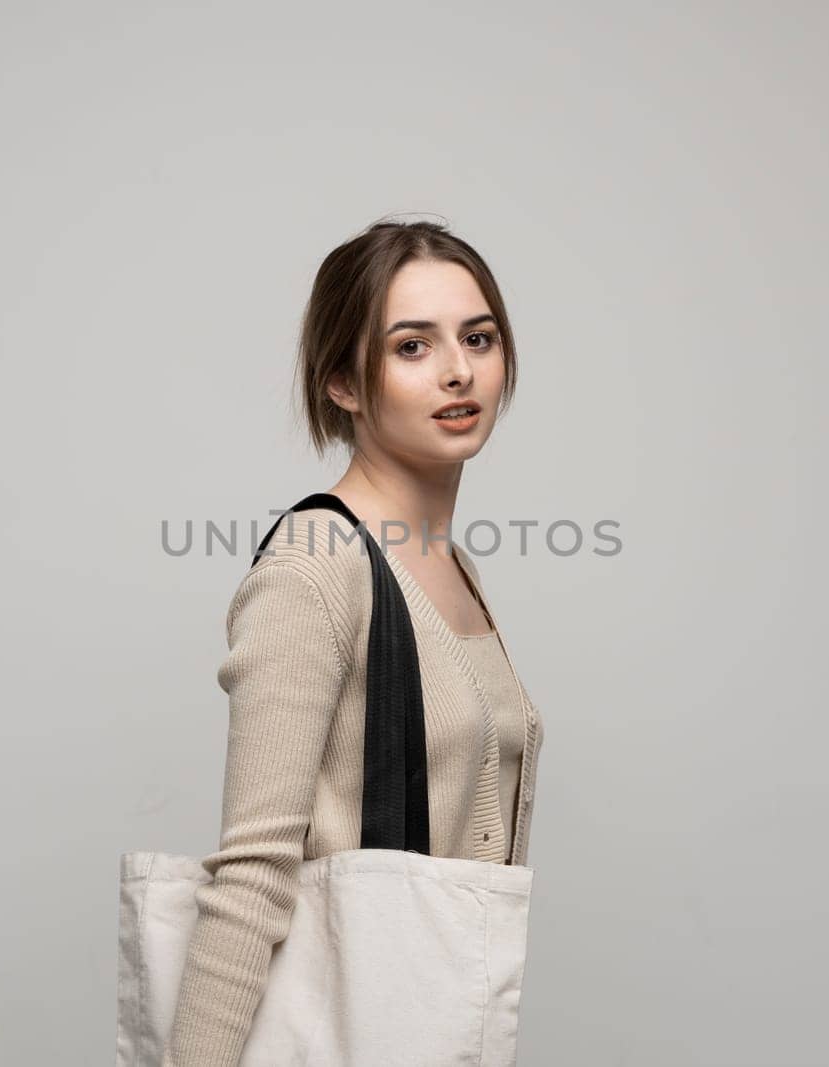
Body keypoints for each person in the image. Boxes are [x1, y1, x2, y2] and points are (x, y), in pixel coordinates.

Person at [164, 218, 545, 1066]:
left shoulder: (449, 566)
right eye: (412, 346)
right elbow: (255, 873)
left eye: (478, 337)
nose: (458, 369)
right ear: (342, 381)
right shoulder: (317, 567)